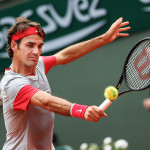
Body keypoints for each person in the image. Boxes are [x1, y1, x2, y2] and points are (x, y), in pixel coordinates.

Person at [0, 17, 130, 150]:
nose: (36, 52)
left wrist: (104, 38)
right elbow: (46, 102)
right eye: (30, 45)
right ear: (14, 45)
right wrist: (82, 111)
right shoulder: (12, 83)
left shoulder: (38, 64)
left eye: (39, 46)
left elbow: (65, 55)